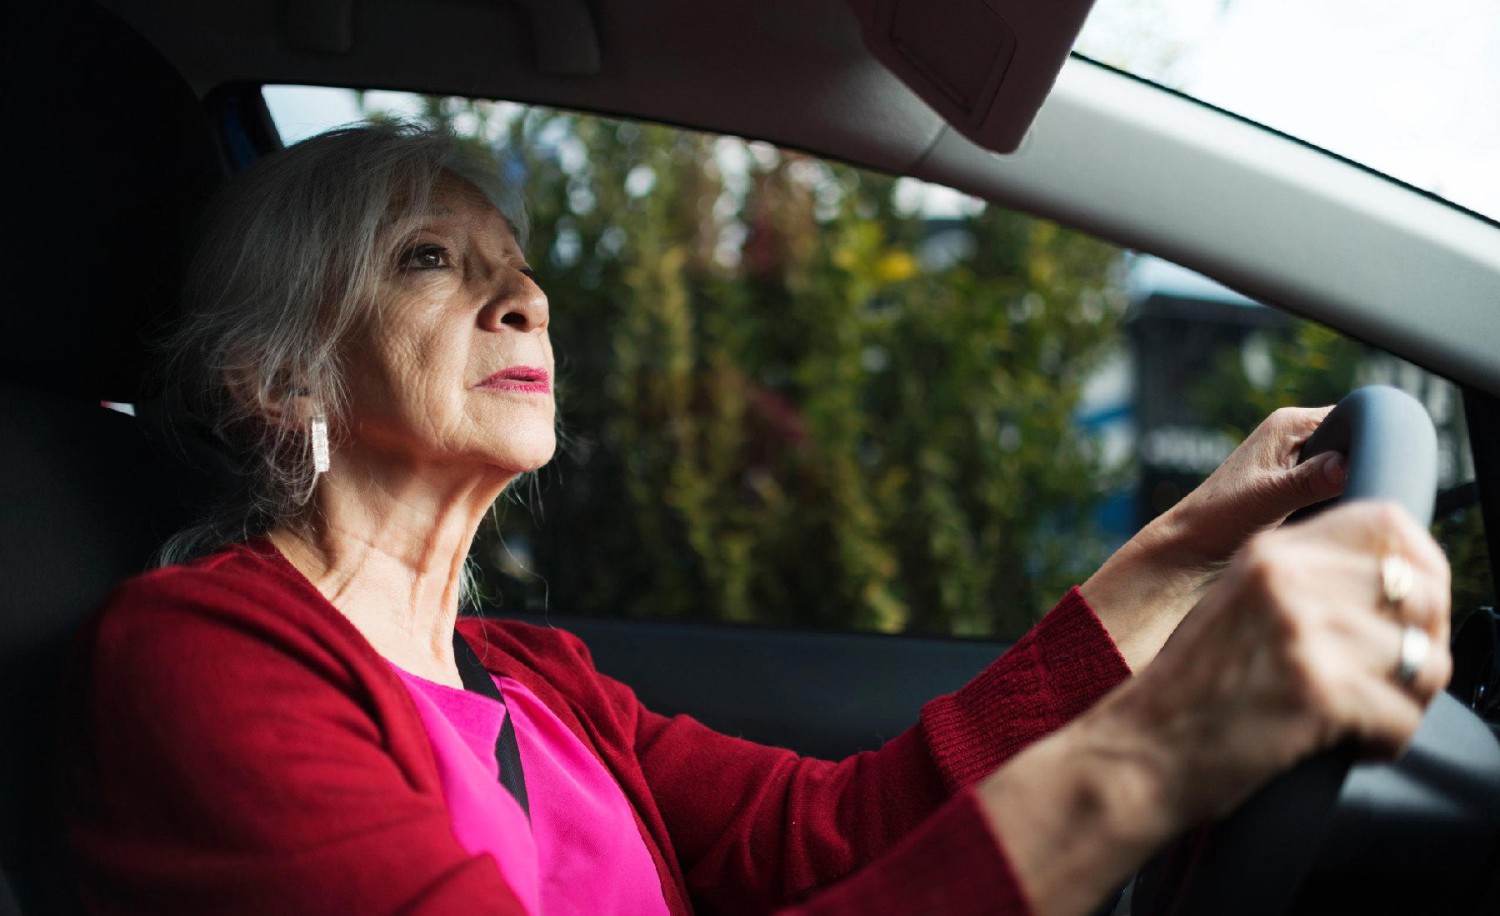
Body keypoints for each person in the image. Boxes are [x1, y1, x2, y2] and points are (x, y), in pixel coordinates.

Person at [64, 122, 1452, 915]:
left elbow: (841, 835)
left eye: (521, 272)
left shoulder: (540, 685)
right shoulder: (202, 659)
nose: (524, 301)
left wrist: (1179, 554)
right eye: (431, 262)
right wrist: (1152, 758)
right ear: (273, 374)